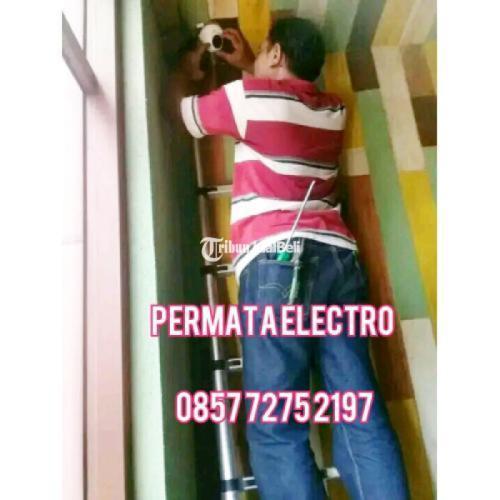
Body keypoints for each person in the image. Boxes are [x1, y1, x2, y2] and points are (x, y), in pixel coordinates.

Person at [166, 17, 410, 500]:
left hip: (277, 260)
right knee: (359, 414)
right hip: (338, 261)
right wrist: (252, 61)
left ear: (276, 54)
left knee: (277, 429)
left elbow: (181, 114)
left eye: (264, 52)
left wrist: (187, 67)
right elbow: (279, 101)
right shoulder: (332, 109)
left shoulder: (248, 99)